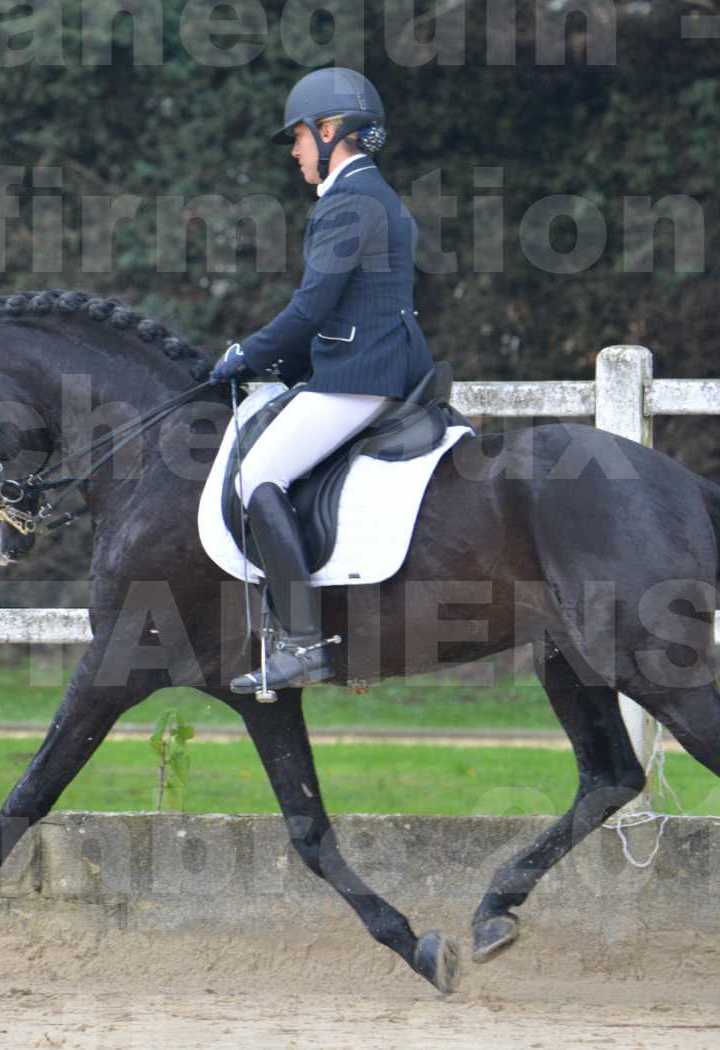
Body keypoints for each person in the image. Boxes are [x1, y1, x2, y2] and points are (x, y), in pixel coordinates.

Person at [207, 66, 436, 694]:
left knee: (257, 477)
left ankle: (303, 643)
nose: (295, 151)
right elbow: (341, 307)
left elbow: (310, 308)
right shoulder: (372, 194)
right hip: (368, 364)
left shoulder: (350, 200)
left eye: (300, 138)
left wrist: (243, 356)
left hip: (359, 376)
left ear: (330, 130)